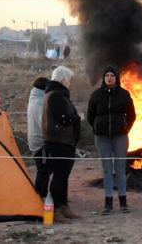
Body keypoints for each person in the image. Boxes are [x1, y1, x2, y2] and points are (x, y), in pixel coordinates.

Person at [86, 66, 136, 214]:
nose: (109, 78)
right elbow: (90, 116)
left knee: (120, 169)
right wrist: (97, 127)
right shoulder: (96, 95)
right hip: (102, 137)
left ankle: (123, 202)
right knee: (107, 169)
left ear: (116, 78)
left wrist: (125, 128)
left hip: (120, 136)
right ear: (103, 78)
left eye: (112, 75)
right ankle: (108, 203)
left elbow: (132, 115)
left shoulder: (124, 94)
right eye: (107, 75)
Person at [41, 66, 82, 221]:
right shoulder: (56, 96)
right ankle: (55, 209)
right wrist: (78, 117)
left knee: (63, 176)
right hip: (59, 142)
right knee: (59, 176)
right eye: (69, 80)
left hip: (63, 141)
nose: (69, 83)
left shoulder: (55, 94)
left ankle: (63, 206)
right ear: (63, 79)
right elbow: (63, 119)